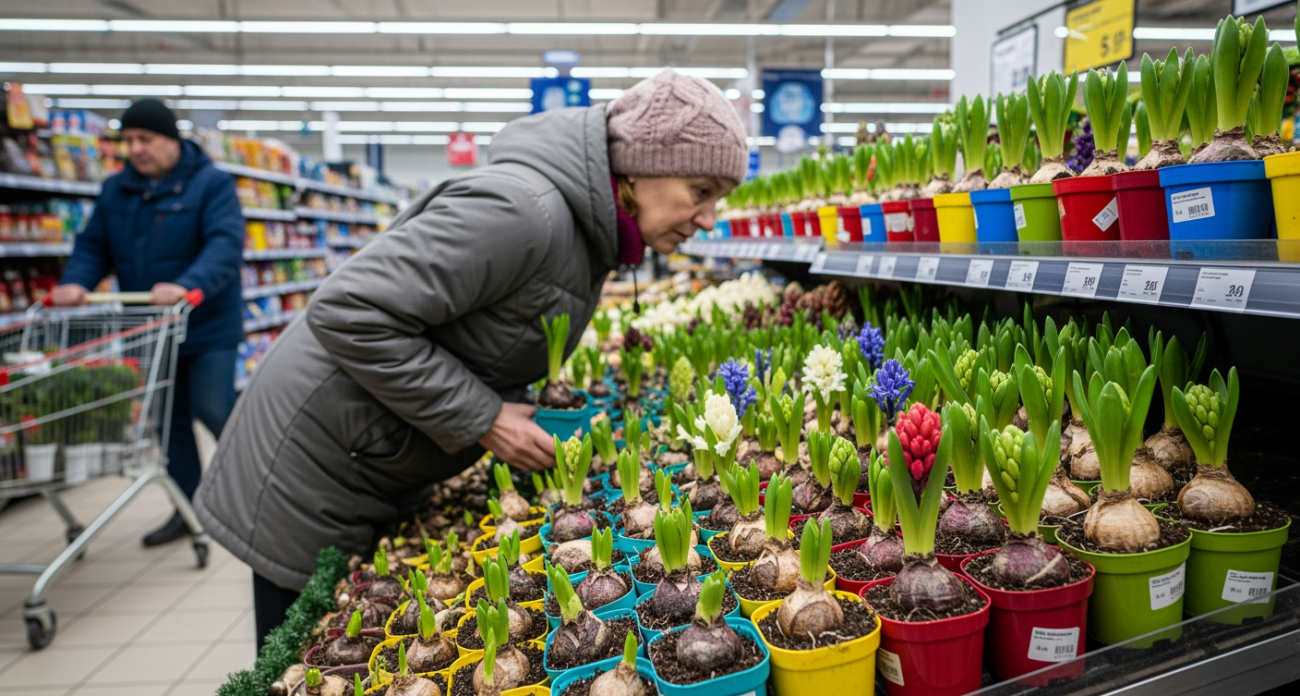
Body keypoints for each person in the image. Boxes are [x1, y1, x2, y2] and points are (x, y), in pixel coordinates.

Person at [193, 69, 747, 649]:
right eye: (701, 191)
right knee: (301, 653)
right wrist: (483, 418)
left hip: (369, 453)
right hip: (313, 469)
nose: (708, 219)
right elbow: (349, 309)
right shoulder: (523, 210)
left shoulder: (587, 231)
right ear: (638, 166)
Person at [52, 98, 244, 547]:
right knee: (169, 422)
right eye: (129, 140)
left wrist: (187, 284)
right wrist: (75, 282)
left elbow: (225, 245)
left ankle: (258, 494)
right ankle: (189, 509)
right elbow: (92, 245)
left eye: (146, 139)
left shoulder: (212, 185)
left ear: (171, 139)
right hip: (151, 329)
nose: (136, 148)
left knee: (215, 409)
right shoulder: (116, 189)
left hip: (207, 323)